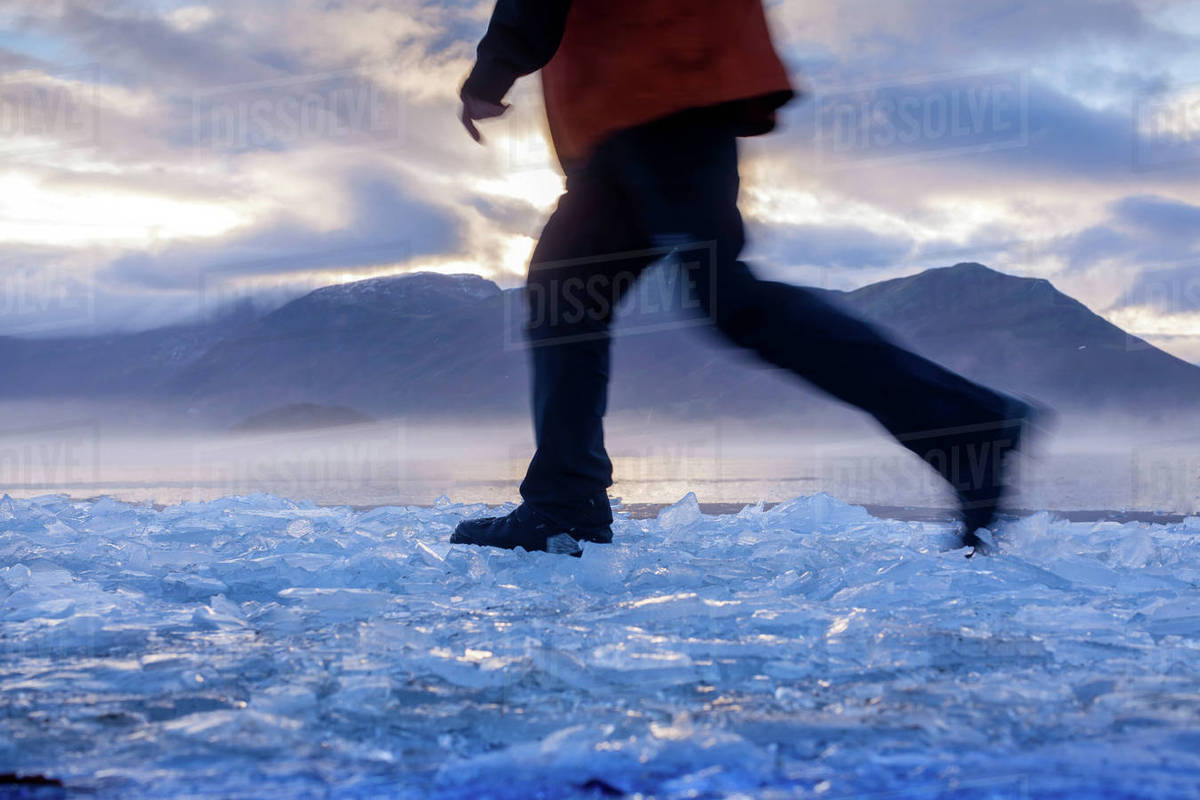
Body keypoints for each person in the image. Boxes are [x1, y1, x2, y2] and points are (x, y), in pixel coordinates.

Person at [452, 0, 1038, 557]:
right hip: (659, 86)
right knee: (566, 297)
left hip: (656, 78)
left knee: (725, 299)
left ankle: (966, 424)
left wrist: (494, 68)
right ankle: (563, 504)